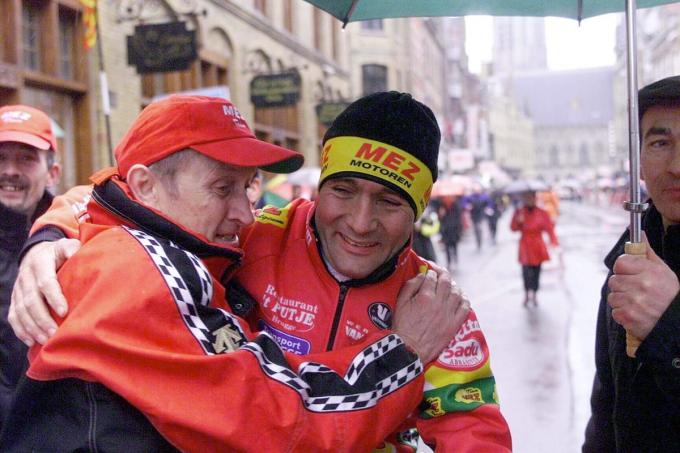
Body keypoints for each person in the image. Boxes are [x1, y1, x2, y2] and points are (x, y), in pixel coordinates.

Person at [10, 92, 512, 452]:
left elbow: (473, 429)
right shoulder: (251, 239)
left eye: (389, 201)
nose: (361, 222)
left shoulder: (435, 305)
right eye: (342, 191)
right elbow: (114, 203)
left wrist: (51, 230)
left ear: (420, 209)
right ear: (319, 187)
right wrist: (51, 234)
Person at [582, 76, 680, 452]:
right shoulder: (626, 263)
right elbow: (607, 405)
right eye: (659, 143)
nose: (675, 165)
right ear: (639, 161)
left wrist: (669, 323)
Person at [0, 105, 61, 431]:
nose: (10, 170)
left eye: (25, 159)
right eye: (1, 158)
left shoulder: (79, 242)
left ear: (53, 173)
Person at [509, 190, 558, 307]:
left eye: (531, 197)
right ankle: (526, 293)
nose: (530, 200)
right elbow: (513, 228)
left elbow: (549, 229)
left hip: (537, 246)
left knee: (537, 271)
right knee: (525, 272)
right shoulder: (519, 212)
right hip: (525, 246)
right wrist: (518, 221)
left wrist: (554, 242)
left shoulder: (542, 212)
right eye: (527, 197)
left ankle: (535, 293)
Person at [438, 195, 464, 269]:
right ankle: (449, 262)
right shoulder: (441, 205)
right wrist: (440, 214)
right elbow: (439, 218)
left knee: (454, 245)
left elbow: (458, 217)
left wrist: (459, 228)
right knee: (446, 247)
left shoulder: (456, 204)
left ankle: (455, 258)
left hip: (454, 229)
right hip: (445, 230)